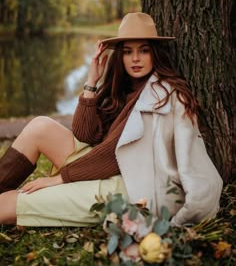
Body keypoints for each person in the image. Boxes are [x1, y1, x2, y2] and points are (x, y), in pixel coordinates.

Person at [0, 12, 223, 227]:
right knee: (40, 125)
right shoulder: (124, 88)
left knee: (5, 205)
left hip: (127, 186)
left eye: (143, 50)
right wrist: (91, 83)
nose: (135, 58)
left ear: (155, 53)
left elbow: (114, 154)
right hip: (102, 168)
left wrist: (60, 179)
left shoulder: (158, 96)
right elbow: (84, 135)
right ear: (120, 56)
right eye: (128, 52)